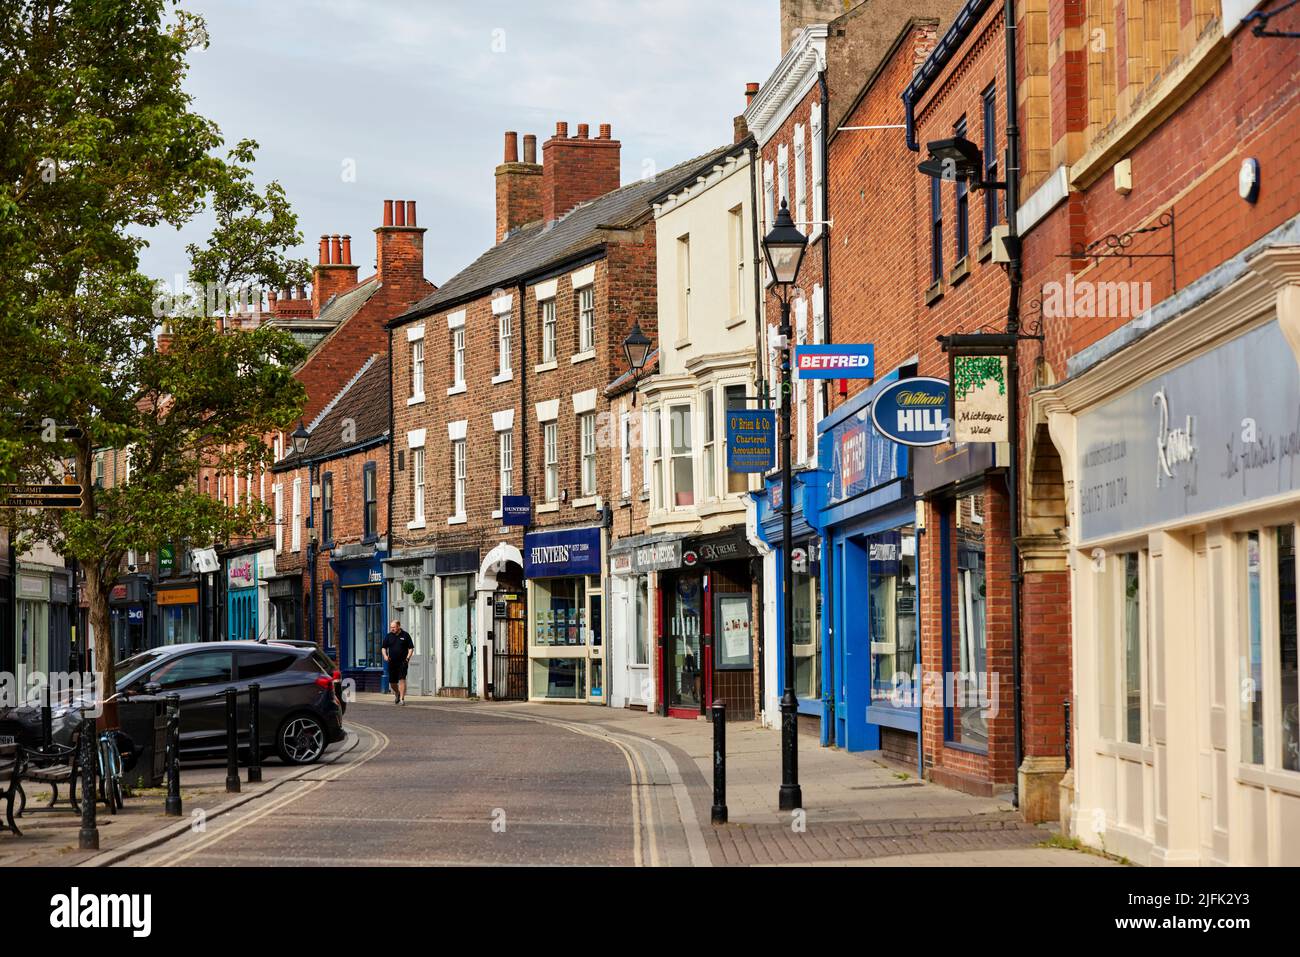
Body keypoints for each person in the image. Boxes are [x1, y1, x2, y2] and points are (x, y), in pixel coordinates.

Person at [382, 619, 415, 704]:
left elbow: (411, 648)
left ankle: (402, 699)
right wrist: (385, 656)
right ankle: (397, 692)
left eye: (394, 627)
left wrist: (407, 658)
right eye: (391, 627)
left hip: (403, 662)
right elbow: (383, 647)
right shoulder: (388, 636)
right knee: (392, 682)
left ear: (399, 626)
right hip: (392, 662)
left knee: (402, 679)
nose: (392, 629)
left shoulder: (405, 635)